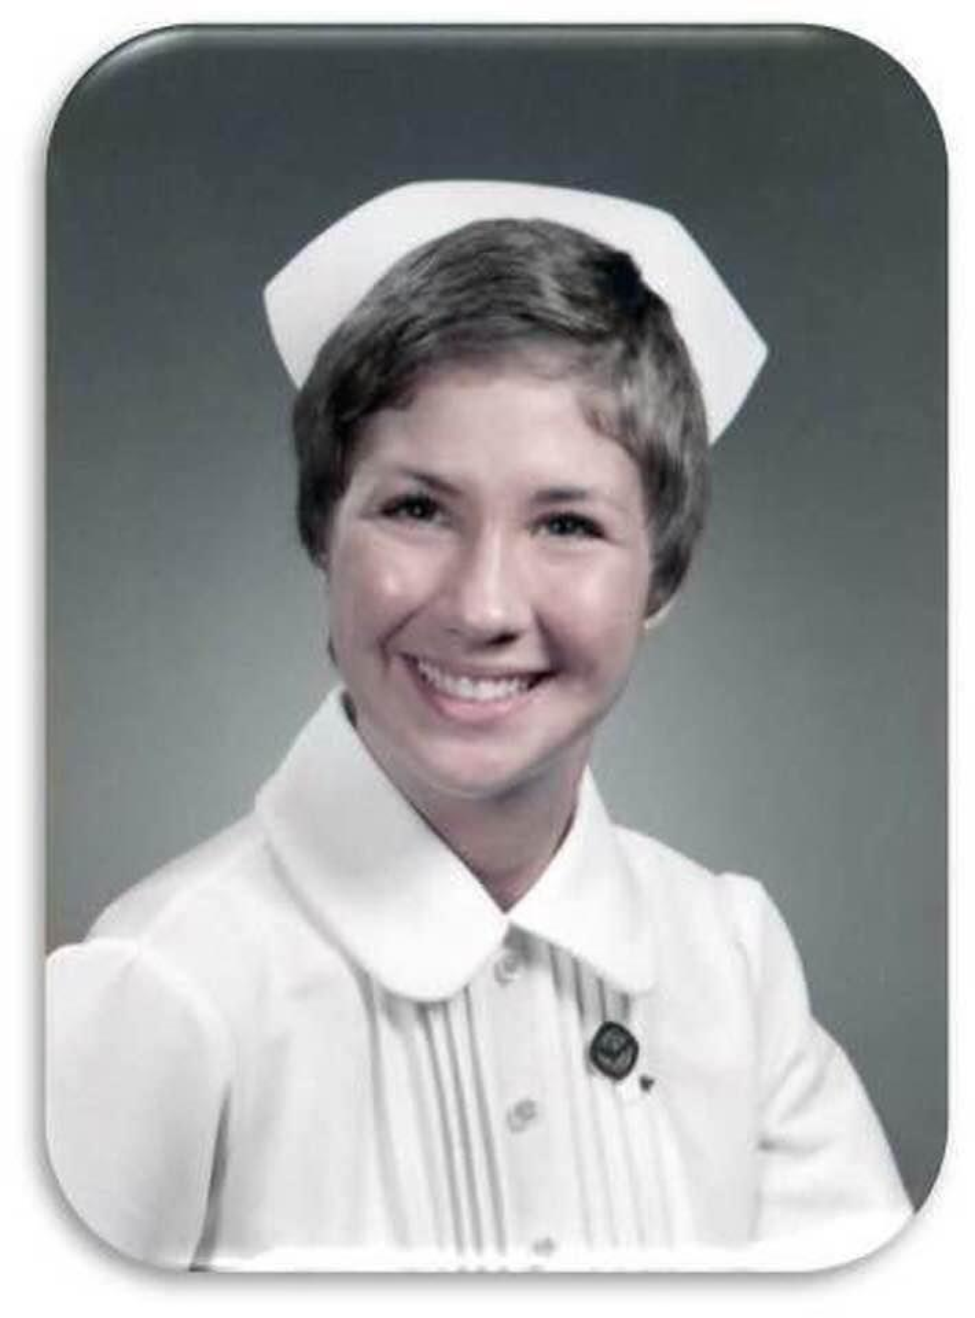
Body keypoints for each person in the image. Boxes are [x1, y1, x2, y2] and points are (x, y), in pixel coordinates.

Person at [46, 181, 911, 1271]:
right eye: (416, 508)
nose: (483, 606)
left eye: (567, 522)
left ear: (663, 575)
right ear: (325, 530)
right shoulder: (165, 986)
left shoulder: (726, 957)